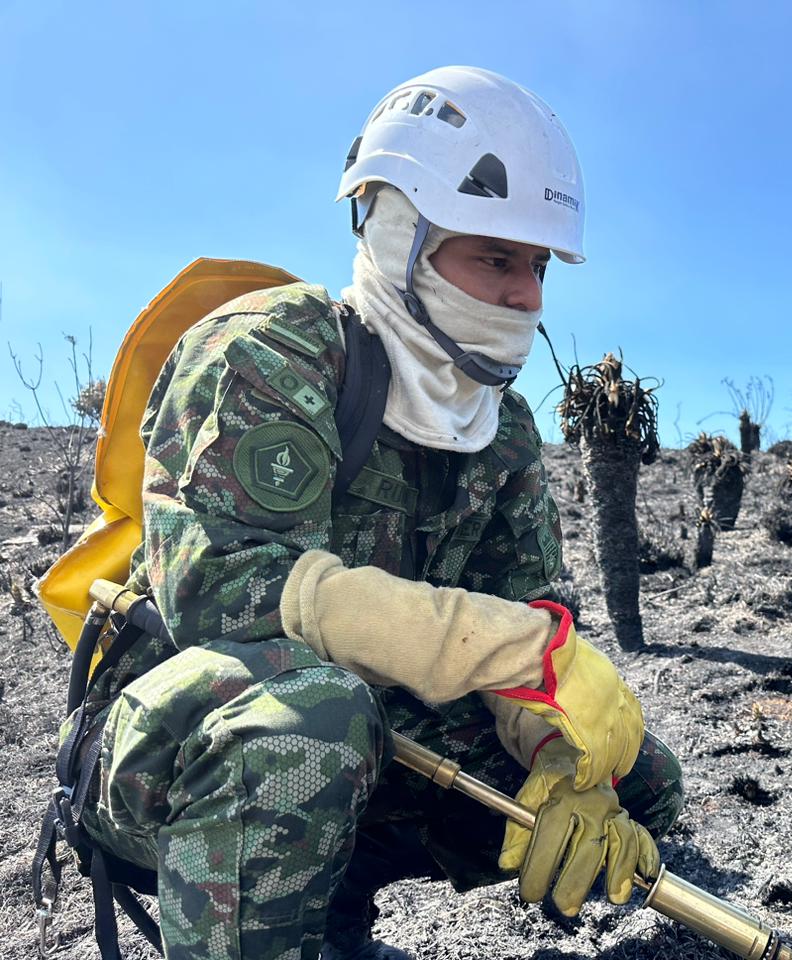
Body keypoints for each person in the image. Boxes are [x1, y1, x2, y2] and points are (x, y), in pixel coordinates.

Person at [75, 66, 684, 960]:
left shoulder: (501, 429)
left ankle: (330, 904)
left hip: (381, 740)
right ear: (402, 236)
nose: (529, 297)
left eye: (538, 266)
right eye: (496, 257)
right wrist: (490, 639)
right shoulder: (274, 349)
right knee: (314, 721)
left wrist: (559, 750)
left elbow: (537, 613)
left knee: (641, 779)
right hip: (194, 747)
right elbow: (222, 596)